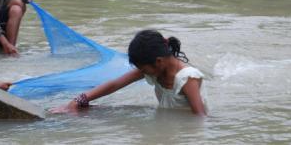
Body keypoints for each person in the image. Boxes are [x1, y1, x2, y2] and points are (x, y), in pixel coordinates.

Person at [54, 30, 208, 116]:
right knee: (89, 109)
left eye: (143, 69)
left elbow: (200, 117)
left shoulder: (187, 78)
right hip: (167, 114)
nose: (141, 72)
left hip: (180, 121)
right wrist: (78, 101)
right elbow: (114, 84)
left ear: (158, 62)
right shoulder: (155, 70)